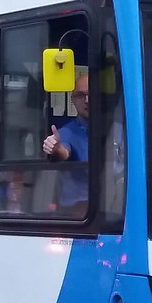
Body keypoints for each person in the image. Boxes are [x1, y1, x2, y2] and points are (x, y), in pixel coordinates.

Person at [42, 73, 89, 209]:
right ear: (73, 100)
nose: (86, 100)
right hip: (77, 212)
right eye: (81, 95)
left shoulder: (118, 129)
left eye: (91, 94)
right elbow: (62, 152)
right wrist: (55, 149)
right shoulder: (66, 133)